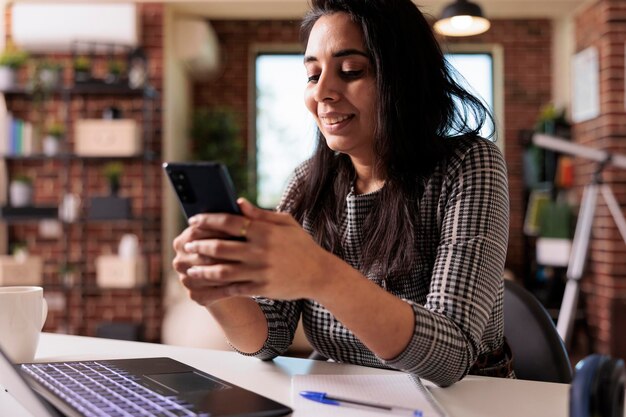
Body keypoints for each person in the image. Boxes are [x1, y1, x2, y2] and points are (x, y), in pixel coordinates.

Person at [172, 0, 510, 387]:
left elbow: (450, 357)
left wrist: (320, 274)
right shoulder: (308, 181)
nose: (323, 93)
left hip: (467, 401)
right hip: (347, 395)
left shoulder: (469, 164)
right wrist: (219, 289)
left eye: (351, 71)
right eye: (313, 75)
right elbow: (271, 336)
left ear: (404, 78)